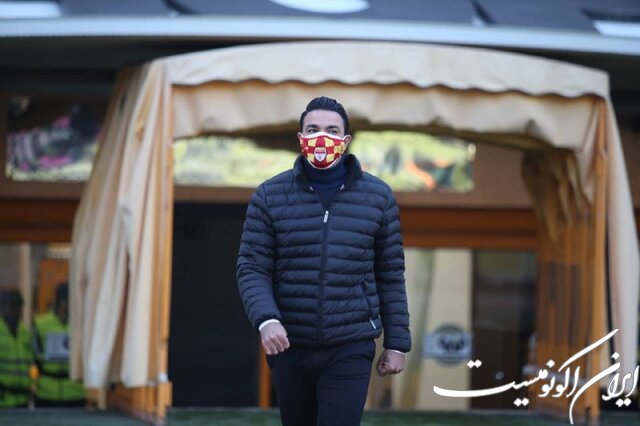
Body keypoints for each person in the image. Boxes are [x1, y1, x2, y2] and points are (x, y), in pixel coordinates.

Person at [237, 96, 411, 426]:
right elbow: (252, 267)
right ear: (300, 138)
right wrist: (266, 319)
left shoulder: (378, 197)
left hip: (351, 343)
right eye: (313, 129)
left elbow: (390, 274)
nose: (322, 137)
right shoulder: (269, 195)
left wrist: (397, 344)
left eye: (332, 131)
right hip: (289, 343)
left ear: (345, 140)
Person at [32, 283, 85, 406]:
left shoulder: (81, 325)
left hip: (75, 392)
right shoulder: (40, 324)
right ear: (61, 301)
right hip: (46, 392)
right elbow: (34, 356)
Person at [0, 289, 34, 407]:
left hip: (23, 399)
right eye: (11, 306)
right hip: (3, 401)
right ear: (2, 308)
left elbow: (30, 363)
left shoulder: (25, 333)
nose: (15, 310)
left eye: (18, 306)